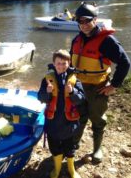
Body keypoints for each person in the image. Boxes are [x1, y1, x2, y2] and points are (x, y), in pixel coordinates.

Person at [70, 2, 131, 163]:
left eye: (86, 21)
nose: (83, 25)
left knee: (97, 119)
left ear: (95, 20)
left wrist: (114, 85)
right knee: (78, 117)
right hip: (78, 86)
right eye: (80, 22)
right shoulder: (77, 39)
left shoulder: (107, 41)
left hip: (97, 87)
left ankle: (97, 150)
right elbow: (71, 63)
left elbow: (125, 63)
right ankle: (73, 145)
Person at [38, 49, 85, 178]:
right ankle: (57, 169)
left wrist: (72, 92)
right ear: (53, 63)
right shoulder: (47, 80)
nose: (61, 66)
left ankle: (71, 169)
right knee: (54, 145)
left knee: (70, 146)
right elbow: (41, 98)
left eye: (64, 63)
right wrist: (47, 92)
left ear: (69, 63)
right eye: (58, 63)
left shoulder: (75, 80)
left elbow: (81, 99)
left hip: (69, 121)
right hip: (53, 120)